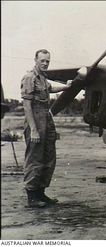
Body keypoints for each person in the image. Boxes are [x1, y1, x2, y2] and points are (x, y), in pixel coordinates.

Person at [21, 49, 72, 208]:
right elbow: (27, 105)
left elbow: (50, 89)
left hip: (46, 117)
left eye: (47, 61)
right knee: (34, 158)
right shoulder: (29, 77)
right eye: (42, 60)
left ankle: (41, 193)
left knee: (48, 157)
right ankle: (32, 197)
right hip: (35, 118)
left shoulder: (43, 78)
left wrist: (66, 87)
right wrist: (34, 129)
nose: (45, 63)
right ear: (35, 60)